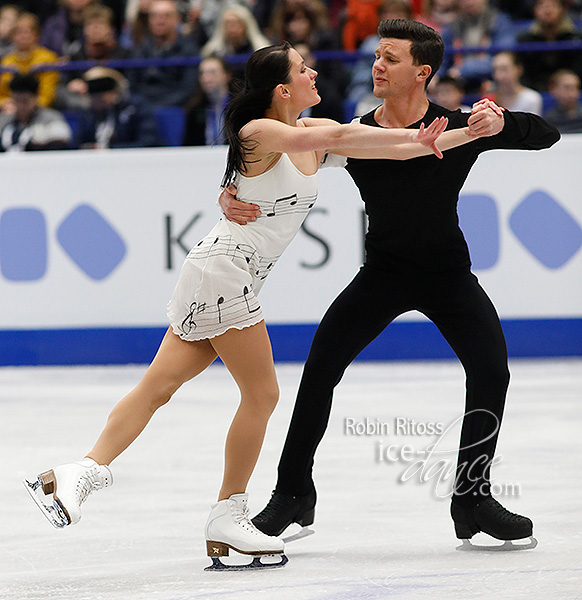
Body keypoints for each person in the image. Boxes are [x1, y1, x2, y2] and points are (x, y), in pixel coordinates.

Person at [25, 40, 489, 571]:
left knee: (159, 385)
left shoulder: (310, 134)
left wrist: (459, 134)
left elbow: (389, 147)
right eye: (302, 68)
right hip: (224, 270)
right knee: (262, 394)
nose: (315, 72)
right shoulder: (260, 131)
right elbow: (346, 135)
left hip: (220, 273)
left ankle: (76, 474)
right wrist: (408, 136)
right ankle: (229, 514)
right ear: (283, 88)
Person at [219, 19, 561, 550]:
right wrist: (228, 191)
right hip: (382, 274)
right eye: (377, 56)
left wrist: (501, 121)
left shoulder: (459, 125)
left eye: (390, 58)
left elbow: (547, 135)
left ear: (422, 72)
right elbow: (272, 154)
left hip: (448, 274)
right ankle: (292, 493)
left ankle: (472, 499)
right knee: (319, 371)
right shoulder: (355, 134)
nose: (376, 65)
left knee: (492, 371)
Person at [129, 0, 198, 109]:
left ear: (177, 19)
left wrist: (158, 107)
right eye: (154, 16)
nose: (160, 21)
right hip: (143, 110)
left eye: (166, 16)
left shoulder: (189, 50)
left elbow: (187, 90)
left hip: (174, 109)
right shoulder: (141, 48)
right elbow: (132, 85)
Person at [76, 66, 162, 149]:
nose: (100, 97)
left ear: (116, 90)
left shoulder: (135, 108)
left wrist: (110, 149)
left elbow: (148, 141)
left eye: (105, 89)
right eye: (94, 93)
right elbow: (78, 143)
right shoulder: (89, 115)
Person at [441, 0, 515, 90]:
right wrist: (436, 76)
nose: (468, 3)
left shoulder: (499, 22)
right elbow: (442, 59)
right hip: (457, 84)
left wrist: (463, 70)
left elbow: (504, 57)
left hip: (491, 79)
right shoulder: (452, 27)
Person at [517, 0, 582, 92]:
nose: (547, 10)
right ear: (534, 10)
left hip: (572, 93)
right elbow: (524, 74)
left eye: (552, 5)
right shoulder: (525, 39)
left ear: (562, 9)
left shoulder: (576, 38)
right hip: (535, 91)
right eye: (542, 6)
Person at [0, 12, 60, 110]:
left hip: (39, 111)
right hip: (10, 111)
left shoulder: (48, 58)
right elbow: (1, 95)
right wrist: (4, 104)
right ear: (12, 36)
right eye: (19, 32)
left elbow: (47, 96)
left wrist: (23, 107)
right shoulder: (7, 61)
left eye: (29, 31)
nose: (24, 36)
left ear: (37, 35)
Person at [0, 72, 71, 151]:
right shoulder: (4, 120)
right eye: (17, 101)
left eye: (25, 101)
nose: (20, 106)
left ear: (36, 99)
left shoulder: (52, 118)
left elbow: (60, 144)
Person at [182, 55, 233, 146]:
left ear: (227, 75)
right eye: (202, 73)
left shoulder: (238, 107)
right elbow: (188, 144)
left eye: (212, 72)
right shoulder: (195, 109)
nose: (206, 78)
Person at [544, 69, 582, 133]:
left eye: (576, 88)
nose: (573, 94)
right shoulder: (549, 120)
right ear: (553, 89)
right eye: (567, 88)